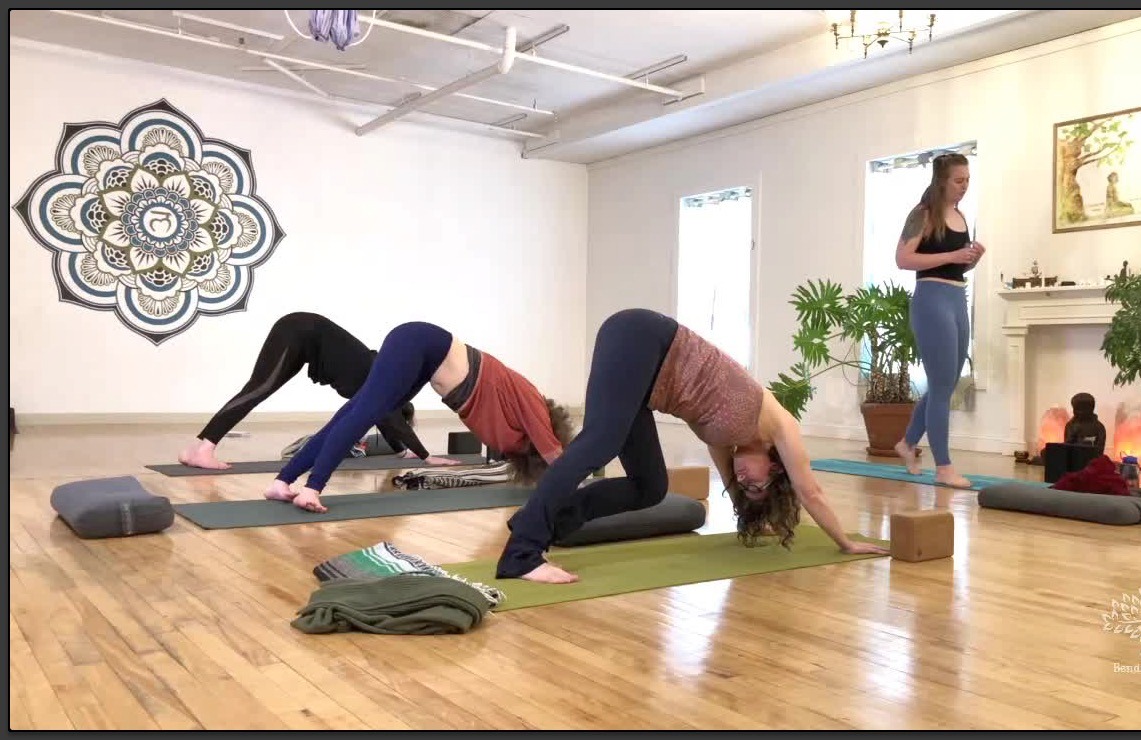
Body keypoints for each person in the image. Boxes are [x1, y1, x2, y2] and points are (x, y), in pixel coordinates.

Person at [495, 308, 890, 584]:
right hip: (642, 337)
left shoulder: (727, 445)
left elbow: (733, 487)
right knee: (600, 442)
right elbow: (811, 491)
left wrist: (754, 516)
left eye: (746, 488)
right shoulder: (781, 426)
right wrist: (845, 542)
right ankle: (521, 554)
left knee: (650, 487)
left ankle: (544, 521)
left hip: (645, 379)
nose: (743, 481)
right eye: (756, 484)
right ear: (775, 466)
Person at [266, 320, 574, 513]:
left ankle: (283, 481)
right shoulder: (534, 405)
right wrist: (572, 479)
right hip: (422, 343)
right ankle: (312, 489)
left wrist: (425, 456)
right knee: (362, 415)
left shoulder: (513, 435)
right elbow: (550, 448)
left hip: (426, 361)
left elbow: (513, 461)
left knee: (353, 413)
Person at [178, 312, 432, 470]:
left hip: (302, 336)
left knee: (257, 388)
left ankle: (197, 448)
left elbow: (388, 422)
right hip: (300, 329)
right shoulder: (382, 385)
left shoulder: (378, 379)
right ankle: (205, 449)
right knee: (258, 388)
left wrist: (403, 451)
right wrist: (423, 455)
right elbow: (391, 420)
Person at [892, 153, 986, 488]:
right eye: (958, 180)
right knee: (943, 386)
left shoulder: (960, 216)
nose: (964, 186)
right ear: (942, 181)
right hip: (931, 300)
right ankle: (944, 467)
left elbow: (956, 266)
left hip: (957, 298)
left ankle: (907, 444)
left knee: (944, 384)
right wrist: (954, 254)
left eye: (968, 180)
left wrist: (971, 259)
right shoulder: (923, 213)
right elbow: (903, 259)